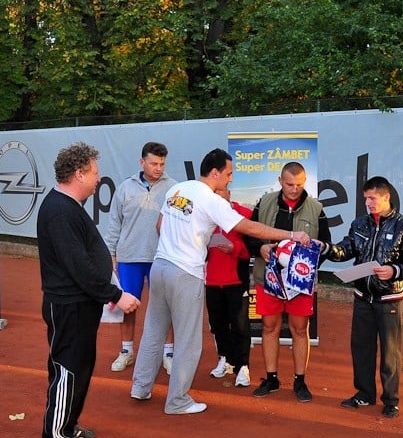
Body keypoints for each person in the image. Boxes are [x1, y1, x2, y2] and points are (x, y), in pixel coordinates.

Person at [130, 149, 311, 415]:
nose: (229, 180)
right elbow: (250, 228)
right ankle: (177, 400)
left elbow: (160, 226)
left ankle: (141, 387)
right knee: (188, 340)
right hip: (185, 273)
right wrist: (291, 234)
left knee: (153, 331)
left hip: (160, 266)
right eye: (228, 174)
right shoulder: (212, 200)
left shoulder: (177, 189)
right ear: (214, 173)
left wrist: (185, 239)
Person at [37, 142, 141, 438]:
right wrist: (115, 295)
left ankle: (67, 426)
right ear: (79, 173)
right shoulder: (58, 210)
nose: (99, 179)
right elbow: (77, 264)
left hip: (81, 305)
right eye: (95, 173)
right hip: (67, 305)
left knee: (81, 367)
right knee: (67, 368)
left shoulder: (68, 206)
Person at [319, 176, 403, 417]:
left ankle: (391, 400)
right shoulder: (360, 225)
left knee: (390, 352)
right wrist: (325, 248)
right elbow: (344, 250)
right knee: (361, 349)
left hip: (389, 300)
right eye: (366, 198)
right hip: (362, 298)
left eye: (372, 198)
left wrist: (394, 270)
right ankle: (365, 394)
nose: (368, 202)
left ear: (386, 197)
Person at [244, 162, 331, 403]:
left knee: (300, 330)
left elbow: (325, 244)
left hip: (300, 285)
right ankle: (271, 378)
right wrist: (259, 247)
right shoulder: (265, 203)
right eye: (290, 184)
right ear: (280, 181)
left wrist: (307, 267)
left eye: (300, 185)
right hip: (268, 279)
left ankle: (300, 380)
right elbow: (249, 235)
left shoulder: (316, 208)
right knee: (270, 328)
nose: (294, 189)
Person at [104, 142, 177, 374]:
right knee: (127, 306)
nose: (158, 168)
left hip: (162, 257)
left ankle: (168, 354)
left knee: (165, 307)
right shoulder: (125, 188)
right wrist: (111, 254)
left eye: (162, 164)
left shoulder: (174, 188)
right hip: (129, 257)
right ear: (142, 162)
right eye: (154, 163)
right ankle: (126, 351)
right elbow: (114, 223)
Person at [205, 189, 253, 387]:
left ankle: (243, 366)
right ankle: (224, 359)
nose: (217, 196)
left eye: (221, 192)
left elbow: (254, 246)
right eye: (213, 193)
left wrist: (236, 249)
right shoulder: (204, 215)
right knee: (217, 324)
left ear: (229, 193)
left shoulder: (244, 214)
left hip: (236, 280)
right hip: (211, 280)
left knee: (240, 324)